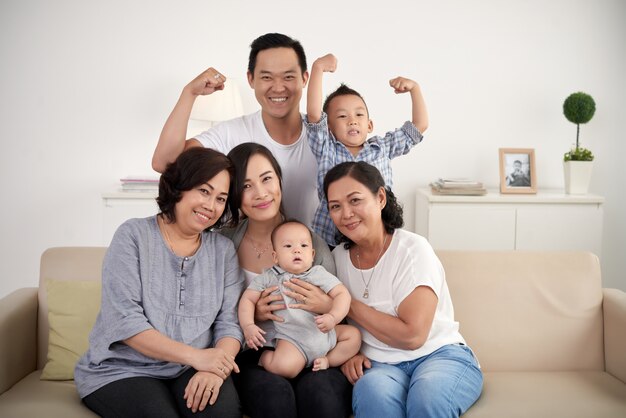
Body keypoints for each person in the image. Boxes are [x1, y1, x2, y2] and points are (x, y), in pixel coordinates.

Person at [74, 148, 244, 418]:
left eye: (220, 198)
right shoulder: (133, 235)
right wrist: (196, 356)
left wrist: (215, 366)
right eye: (203, 190)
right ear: (179, 186)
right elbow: (125, 321)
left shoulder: (222, 251)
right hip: (123, 369)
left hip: (193, 368)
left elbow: (230, 324)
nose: (211, 206)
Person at [323, 161, 483, 418]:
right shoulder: (337, 259)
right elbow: (337, 325)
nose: (346, 213)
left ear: (381, 198)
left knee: (426, 399)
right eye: (335, 206)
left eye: (355, 200)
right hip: (380, 366)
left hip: (437, 355)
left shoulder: (413, 250)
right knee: (371, 394)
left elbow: (412, 336)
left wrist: (346, 303)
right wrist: (349, 354)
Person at [220, 143, 353, 418]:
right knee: (274, 403)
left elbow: (339, 309)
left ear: (279, 181)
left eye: (267, 179)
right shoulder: (224, 243)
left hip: (314, 344)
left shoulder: (308, 242)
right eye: (246, 186)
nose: (261, 193)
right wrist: (252, 316)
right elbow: (214, 313)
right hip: (258, 351)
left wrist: (325, 304)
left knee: (323, 402)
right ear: (235, 195)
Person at [152, 32, 318, 227]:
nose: (278, 88)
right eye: (267, 77)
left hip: (316, 251)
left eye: (288, 77)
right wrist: (189, 93)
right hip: (246, 251)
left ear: (305, 78)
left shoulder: (325, 135)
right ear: (251, 79)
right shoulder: (232, 133)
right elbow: (164, 163)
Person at [305, 53, 429, 245]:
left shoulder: (382, 147)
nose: (352, 120)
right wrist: (318, 68)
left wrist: (415, 89)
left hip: (375, 234)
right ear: (328, 127)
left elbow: (419, 126)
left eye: (359, 114)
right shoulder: (326, 147)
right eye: (342, 116)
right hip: (331, 238)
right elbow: (314, 114)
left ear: (370, 125)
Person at [239, 219, 361, 378]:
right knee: (285, 369)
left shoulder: (318, 273)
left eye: (303, 246)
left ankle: (327, 360)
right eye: (288, 246)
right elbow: (247, 299)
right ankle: (264, 358)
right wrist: (248, 325)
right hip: (293, 340)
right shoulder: (269, 277)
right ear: (275, 257)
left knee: (354, 337)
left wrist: (333, 316)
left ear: (312, 255)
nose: (297, 250)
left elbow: (342, 294)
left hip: (325, 332)